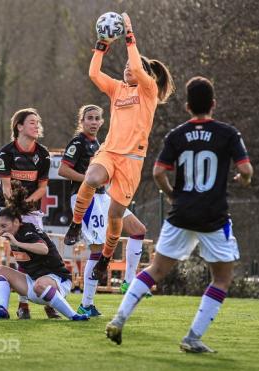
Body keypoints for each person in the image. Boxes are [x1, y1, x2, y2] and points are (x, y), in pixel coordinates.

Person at [105, 76, 253, 353]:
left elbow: (158, 172)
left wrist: (173, 195)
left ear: (187, 107)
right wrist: (242, 180)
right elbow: (246, 172)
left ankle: (119, 318)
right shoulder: (227, 134)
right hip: (214, 216)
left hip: (181, 213)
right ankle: (193, 338)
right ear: (213, 104)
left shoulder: (177, 135)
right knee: (221, 279)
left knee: (155, 270)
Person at [63, 13, 174, 283]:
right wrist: (101, 45)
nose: (127, 69)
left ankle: (105, 258)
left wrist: (129, 35)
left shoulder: (147, 91)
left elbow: (137, 68)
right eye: (124, 65)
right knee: (90, 179)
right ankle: (76, 224)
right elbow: (93, 73)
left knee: (115, 216)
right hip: (110, 153)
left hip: (132, 160)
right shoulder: (118, 89)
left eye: (131, 66)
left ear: (146, 74)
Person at [58, 105, 147, 317]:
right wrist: (89, 181)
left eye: (97, 118)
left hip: (103, 197)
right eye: (90, 118)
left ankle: (128, 282)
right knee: (97, 250)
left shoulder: (100, 144)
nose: (94, 122)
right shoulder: (78, 142)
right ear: (82, 121)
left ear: (103, 121)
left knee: (138, 229)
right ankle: (86, 304)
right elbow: (63, 170)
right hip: (85, 199)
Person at [0, 182, 89, 321]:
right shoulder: (15, 232)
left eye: (4, 226)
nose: (1, 229)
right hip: (35, 283)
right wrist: (4, 233)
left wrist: (17, 243)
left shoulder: (28, 230)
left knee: (39, 285)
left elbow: (43, 249)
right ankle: (2, 309)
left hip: (57, 282)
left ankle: (73, 315)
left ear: (16, 222)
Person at [0, 108, 59, 320]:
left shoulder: (43, 154)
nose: (36, 126)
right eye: (32, 122)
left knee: (41, 252)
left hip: (29, 208)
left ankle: (50, 299)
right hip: (7, 207)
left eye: (37, 122)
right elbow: (5, 187)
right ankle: (24, 306)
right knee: (21, 254)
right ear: (19, 127)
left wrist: (25, 204)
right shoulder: (6, 152)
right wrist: (14, 209)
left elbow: (42, 189)